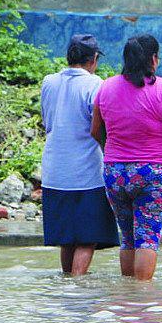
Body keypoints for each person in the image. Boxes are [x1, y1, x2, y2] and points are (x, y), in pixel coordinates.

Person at [91, 34, 162, 282]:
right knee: (147, 237)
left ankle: (127, 293)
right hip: (154, 172)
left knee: (127, 237)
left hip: (115, 172)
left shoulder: (106, 87)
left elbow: (95, 130)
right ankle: (142, 296)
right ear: (153, 59)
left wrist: (112, 152)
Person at [39, 34, 119, 276]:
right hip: (87, 173)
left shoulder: (49, 82)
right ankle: (77, 283)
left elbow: (47, 122)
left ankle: (68, 283)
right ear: (93, 59)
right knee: (87, 237)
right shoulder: (95, 85)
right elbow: (99, 127)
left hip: (54, 171)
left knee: (67, 237)